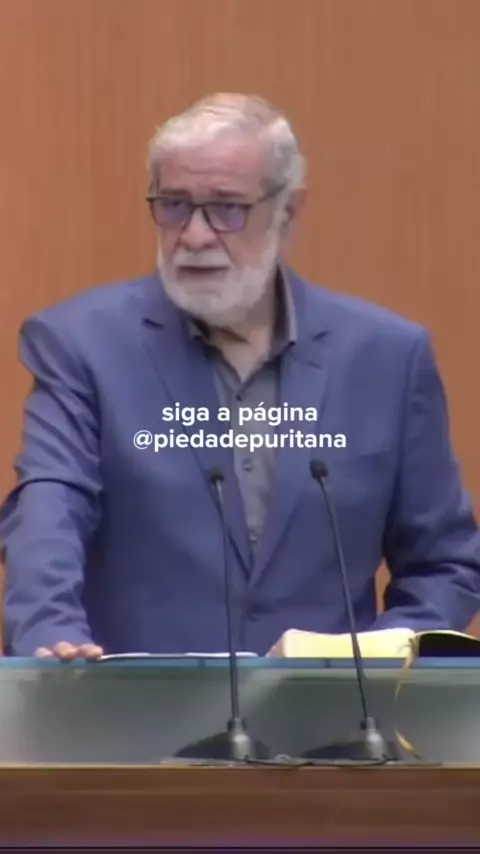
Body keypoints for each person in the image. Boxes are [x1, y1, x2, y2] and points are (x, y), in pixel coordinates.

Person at [1, 92, 479, 660]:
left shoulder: (387, 358)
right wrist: (50, 634)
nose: (195, 236)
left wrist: (379, 655)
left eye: (226, 208)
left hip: (330, 711)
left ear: (288, 210)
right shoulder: (82, 344)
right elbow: (50, 507)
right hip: (130, 709)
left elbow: (444, 562)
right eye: (174, 205)